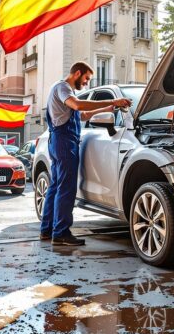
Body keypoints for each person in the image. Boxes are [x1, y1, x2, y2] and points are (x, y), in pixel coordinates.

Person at [41, 61, 131, 246]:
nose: (86, 83)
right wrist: (113, 101)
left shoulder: (64, 91)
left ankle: (47, 229)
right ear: (77, 73)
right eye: (86, 78)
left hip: (60, 141)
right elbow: (78, 105)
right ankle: (61, 233)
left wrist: (105, 110)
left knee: (56, 186)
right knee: (66, 188)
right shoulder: (63, 87)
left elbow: (81, 116)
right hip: (64, 142)